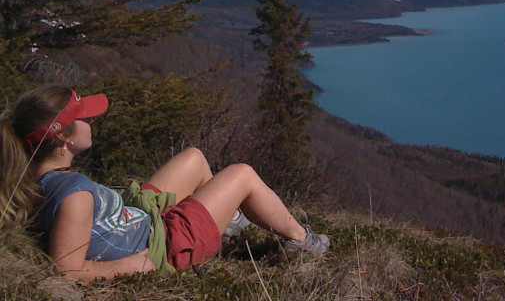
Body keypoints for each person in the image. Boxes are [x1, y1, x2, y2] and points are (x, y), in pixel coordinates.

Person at [0, 84, 329, 283]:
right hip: (163, 244)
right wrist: (130, 266)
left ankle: (225, 224)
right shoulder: (74, 196)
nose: (91, 120)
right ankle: (302, 241)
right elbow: (67, 272)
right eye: (83, 118)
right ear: (64, 139)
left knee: (195, 158)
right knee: (241, 173)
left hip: (138, 219)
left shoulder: (35, 180)